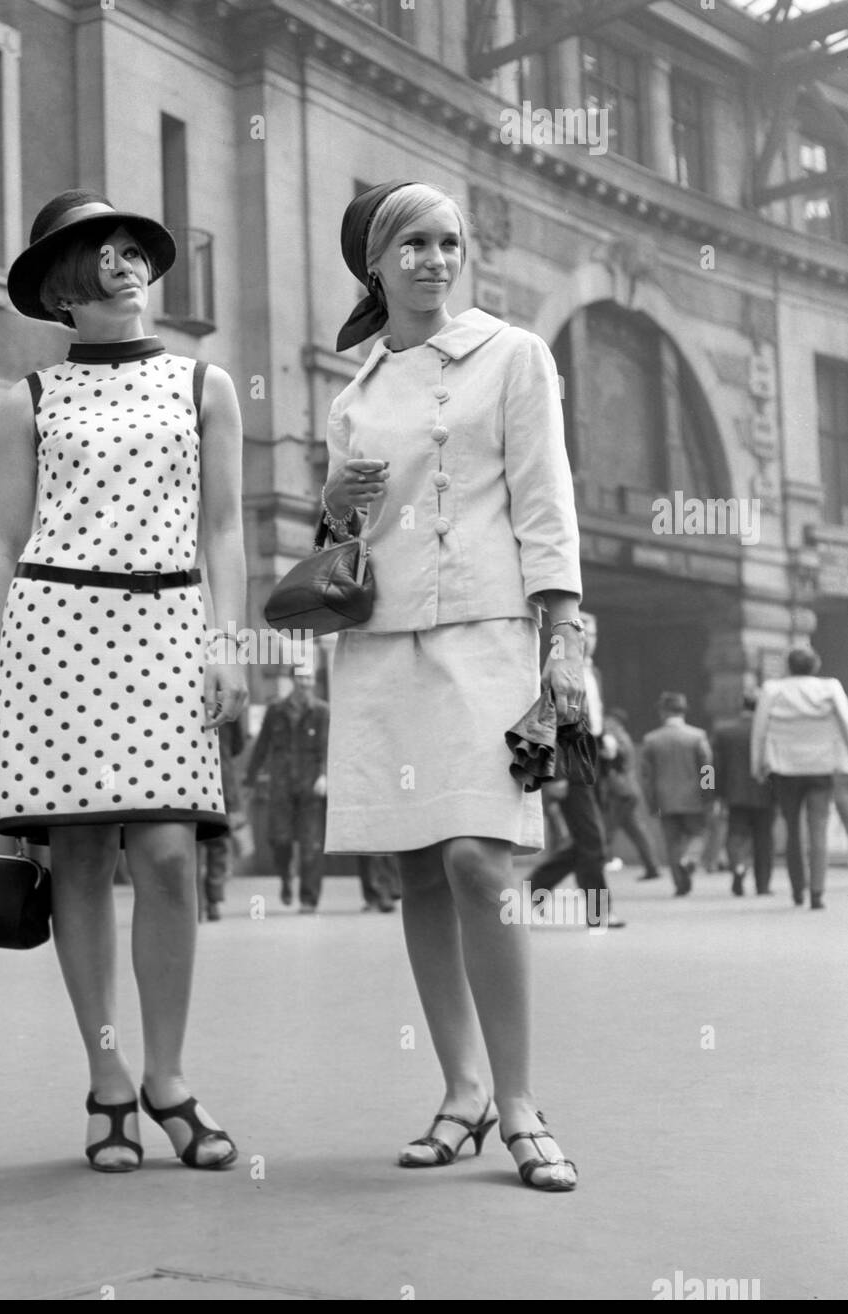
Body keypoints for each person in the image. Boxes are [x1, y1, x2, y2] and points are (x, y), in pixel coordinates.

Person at [0, 190, 248, 1172]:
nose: (125, 261)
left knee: (170, 854)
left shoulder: (203, 383)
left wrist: (230, 645)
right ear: (61, 286)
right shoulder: (30, 400)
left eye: (134, 247)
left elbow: (224, 528)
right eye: (99, 252)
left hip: (169, 624)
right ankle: (109, 1081)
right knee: (80, 863)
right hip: (53, 631)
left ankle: (168, 1075)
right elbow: (4, 548)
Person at [322, 180, 585, 1191]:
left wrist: (563, 634)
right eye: (414, 244)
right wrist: (331, 506)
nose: (435, 259)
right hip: (382, 647)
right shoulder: (355, 395)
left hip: (486, 637)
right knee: (419, 870)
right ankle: (459, 1090)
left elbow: (542, 495)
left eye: (449, 242)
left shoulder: (515, 355)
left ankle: (518, 1099)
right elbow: (345, 548)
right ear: (376, 264)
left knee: (483, 861)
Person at [528, 612, 624, 928]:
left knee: (587, 839)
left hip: (593, 758)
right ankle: (599, 912)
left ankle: (534, 891)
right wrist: (554, 776)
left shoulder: (593, 671)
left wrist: (603, 735)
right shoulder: (559, 672)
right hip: (571, 761)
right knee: (593, 839)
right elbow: (550, 722)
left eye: (593, 633)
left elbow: (591, 715)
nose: (589, 639)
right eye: (583, 633)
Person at [751, 645, 848, 909]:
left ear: (789, 666)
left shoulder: (773, 689)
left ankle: (798, 890)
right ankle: (817, 892)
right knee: (819, 831)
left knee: (793, 829)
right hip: (822, 767)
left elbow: (759, 731)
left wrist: (757, 765)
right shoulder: (830, 687)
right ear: (815, 665)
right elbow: (846, 723)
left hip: (785, 769)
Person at [243, 668, 329, 913]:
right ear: (293, 679)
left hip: (311, 785)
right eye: (301, 677)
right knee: (279, 840)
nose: (305, 682)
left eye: (309, 677)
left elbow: (326, 747)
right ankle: (285, 878)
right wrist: (249, 780)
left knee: (311, 843)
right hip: (281, 785)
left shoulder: (322, 712)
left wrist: (324, 775)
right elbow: (261, 747)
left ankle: (309, 899)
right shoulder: (276, 711)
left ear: (314, 681)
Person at [638, 692, 713, 896]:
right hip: (694, 798)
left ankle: (680, 885)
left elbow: (646, 777)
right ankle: (690, 858)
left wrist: (651, 801)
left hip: (664, 800)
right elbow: (707, 768)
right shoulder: (698, 736)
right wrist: (708, 793)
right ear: (684, 710)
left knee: (672, 842)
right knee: (699, 834)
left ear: (662, 712)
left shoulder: (651, 739)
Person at [711, 691, 775, 897]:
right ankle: (763, 885)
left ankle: (738, 866)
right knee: (764, 839)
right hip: (766, 794)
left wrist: (710, 793)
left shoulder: (724, 731)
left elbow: (709, 767)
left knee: (735, 834)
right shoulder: (770, 731)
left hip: (734, 794)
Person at [598, 707, 660, 880]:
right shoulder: (622, 737)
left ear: (614, 722)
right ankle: (652, 866)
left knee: (606, 831)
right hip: (626, 791)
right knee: (636, 831)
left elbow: (615, 758)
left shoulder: (615, 738)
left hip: (620, 792)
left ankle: (597, 866)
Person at [198, 720, 247, 921]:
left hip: (187, 777)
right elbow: (238, 744)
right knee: (217, 844)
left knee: (191, 844)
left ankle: (197, 902)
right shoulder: (223, 700)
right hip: (220, 778)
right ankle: (213, 901)